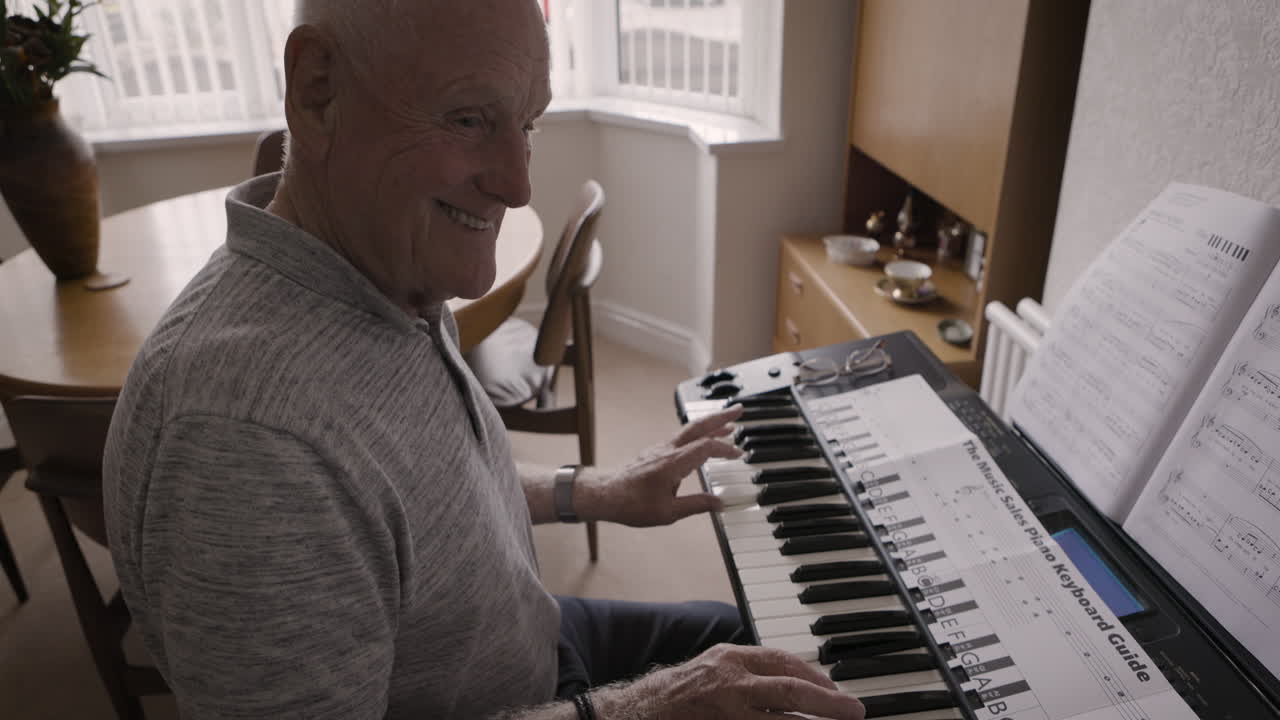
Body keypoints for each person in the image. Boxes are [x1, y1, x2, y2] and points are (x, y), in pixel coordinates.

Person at [103, 1, 867, 718]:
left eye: (526, 123)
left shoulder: (382, 269)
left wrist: (595, 491)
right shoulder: (245, 444)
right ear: (317, 89)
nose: (517, 181)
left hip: (533, 635)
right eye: (469, 118)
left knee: (784, 642)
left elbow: (418, 491)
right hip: (530, 693)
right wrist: (641, 707)